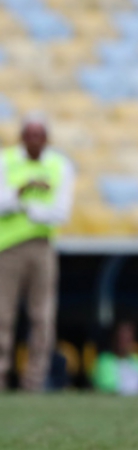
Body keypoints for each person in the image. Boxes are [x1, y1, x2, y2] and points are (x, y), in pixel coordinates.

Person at [0, 115, 74, 391]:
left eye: (39, 135)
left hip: (42, 247)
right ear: (22, 137)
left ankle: (35, 379)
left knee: (41, 315)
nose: (34, 141)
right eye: (29, 135)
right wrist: (25, 190)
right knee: (2, 315)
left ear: (46, 139)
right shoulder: (6, 161)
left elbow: (60, 212)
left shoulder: (59, 165)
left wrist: (24, 205)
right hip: (6, 247)